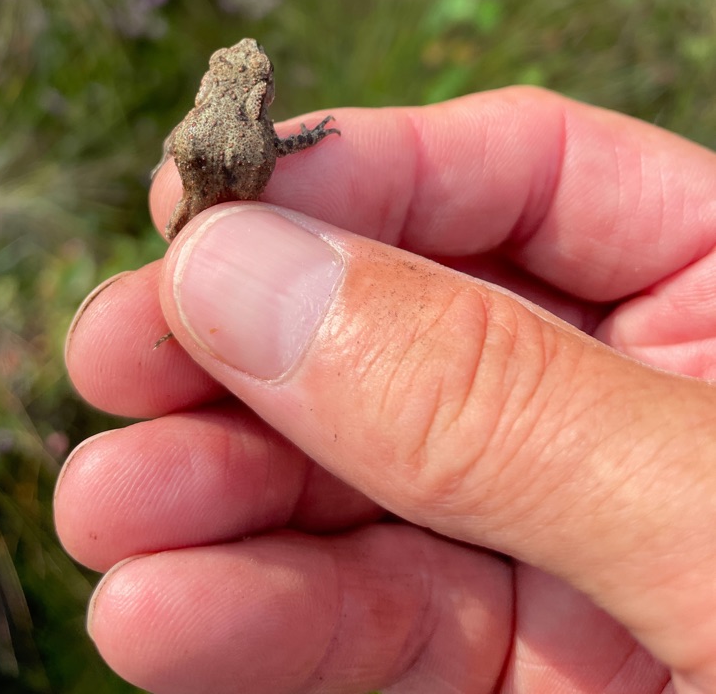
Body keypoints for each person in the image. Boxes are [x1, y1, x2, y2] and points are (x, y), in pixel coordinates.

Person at [54, 86, 716, 694]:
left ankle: (190, 312)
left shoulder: (213, 131)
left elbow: (209, 145)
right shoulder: (242, 135)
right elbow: (263, 147)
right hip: (235, 190)